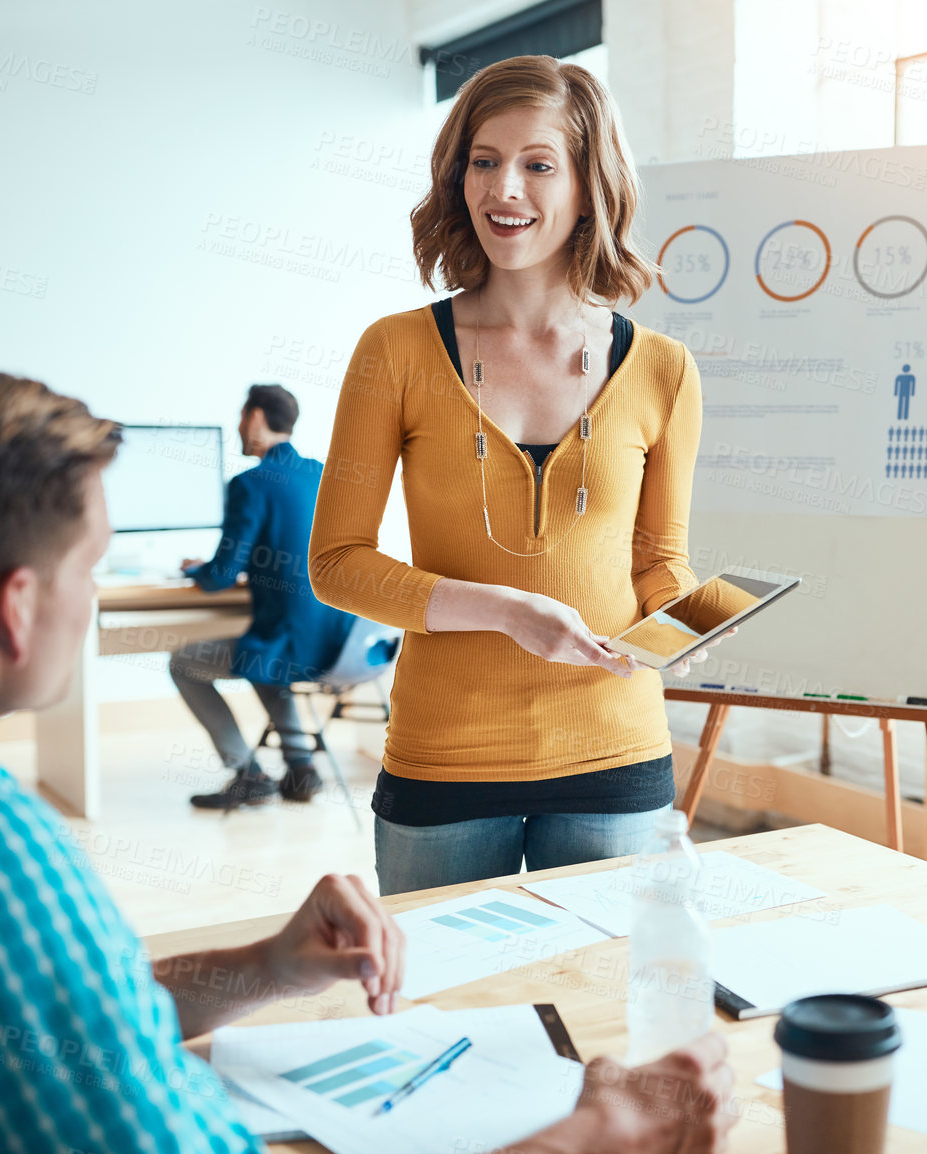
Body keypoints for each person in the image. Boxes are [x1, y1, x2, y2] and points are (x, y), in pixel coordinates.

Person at [0, 366, 737, 1152]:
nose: (89, 596)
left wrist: (263, 968)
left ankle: (255, 761)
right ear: (17, 606)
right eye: (90, 569)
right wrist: (596, 1134)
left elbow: (56, 1013)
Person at [309, 56, 722, 894]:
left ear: (588, 182)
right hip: (445, 756)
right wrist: (504, 611)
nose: (505, 190)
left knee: (609, 1009)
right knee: (447, 1011)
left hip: (616, 753)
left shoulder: (664, 369)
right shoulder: (393, 351)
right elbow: (336, 562)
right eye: (484, 160)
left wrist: (692, 622)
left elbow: (656, 563)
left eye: (538, 164)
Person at [171, 383, 354, 810]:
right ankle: (302, 767)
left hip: (293, 645)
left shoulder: (249, 484)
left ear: (254, 417)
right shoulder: (321, 472)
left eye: (241, 416)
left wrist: (195, 569)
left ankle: (247, 771)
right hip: (343, 642)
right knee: (264, 652)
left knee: (184, 663)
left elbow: (219, 577)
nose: (238, 426)